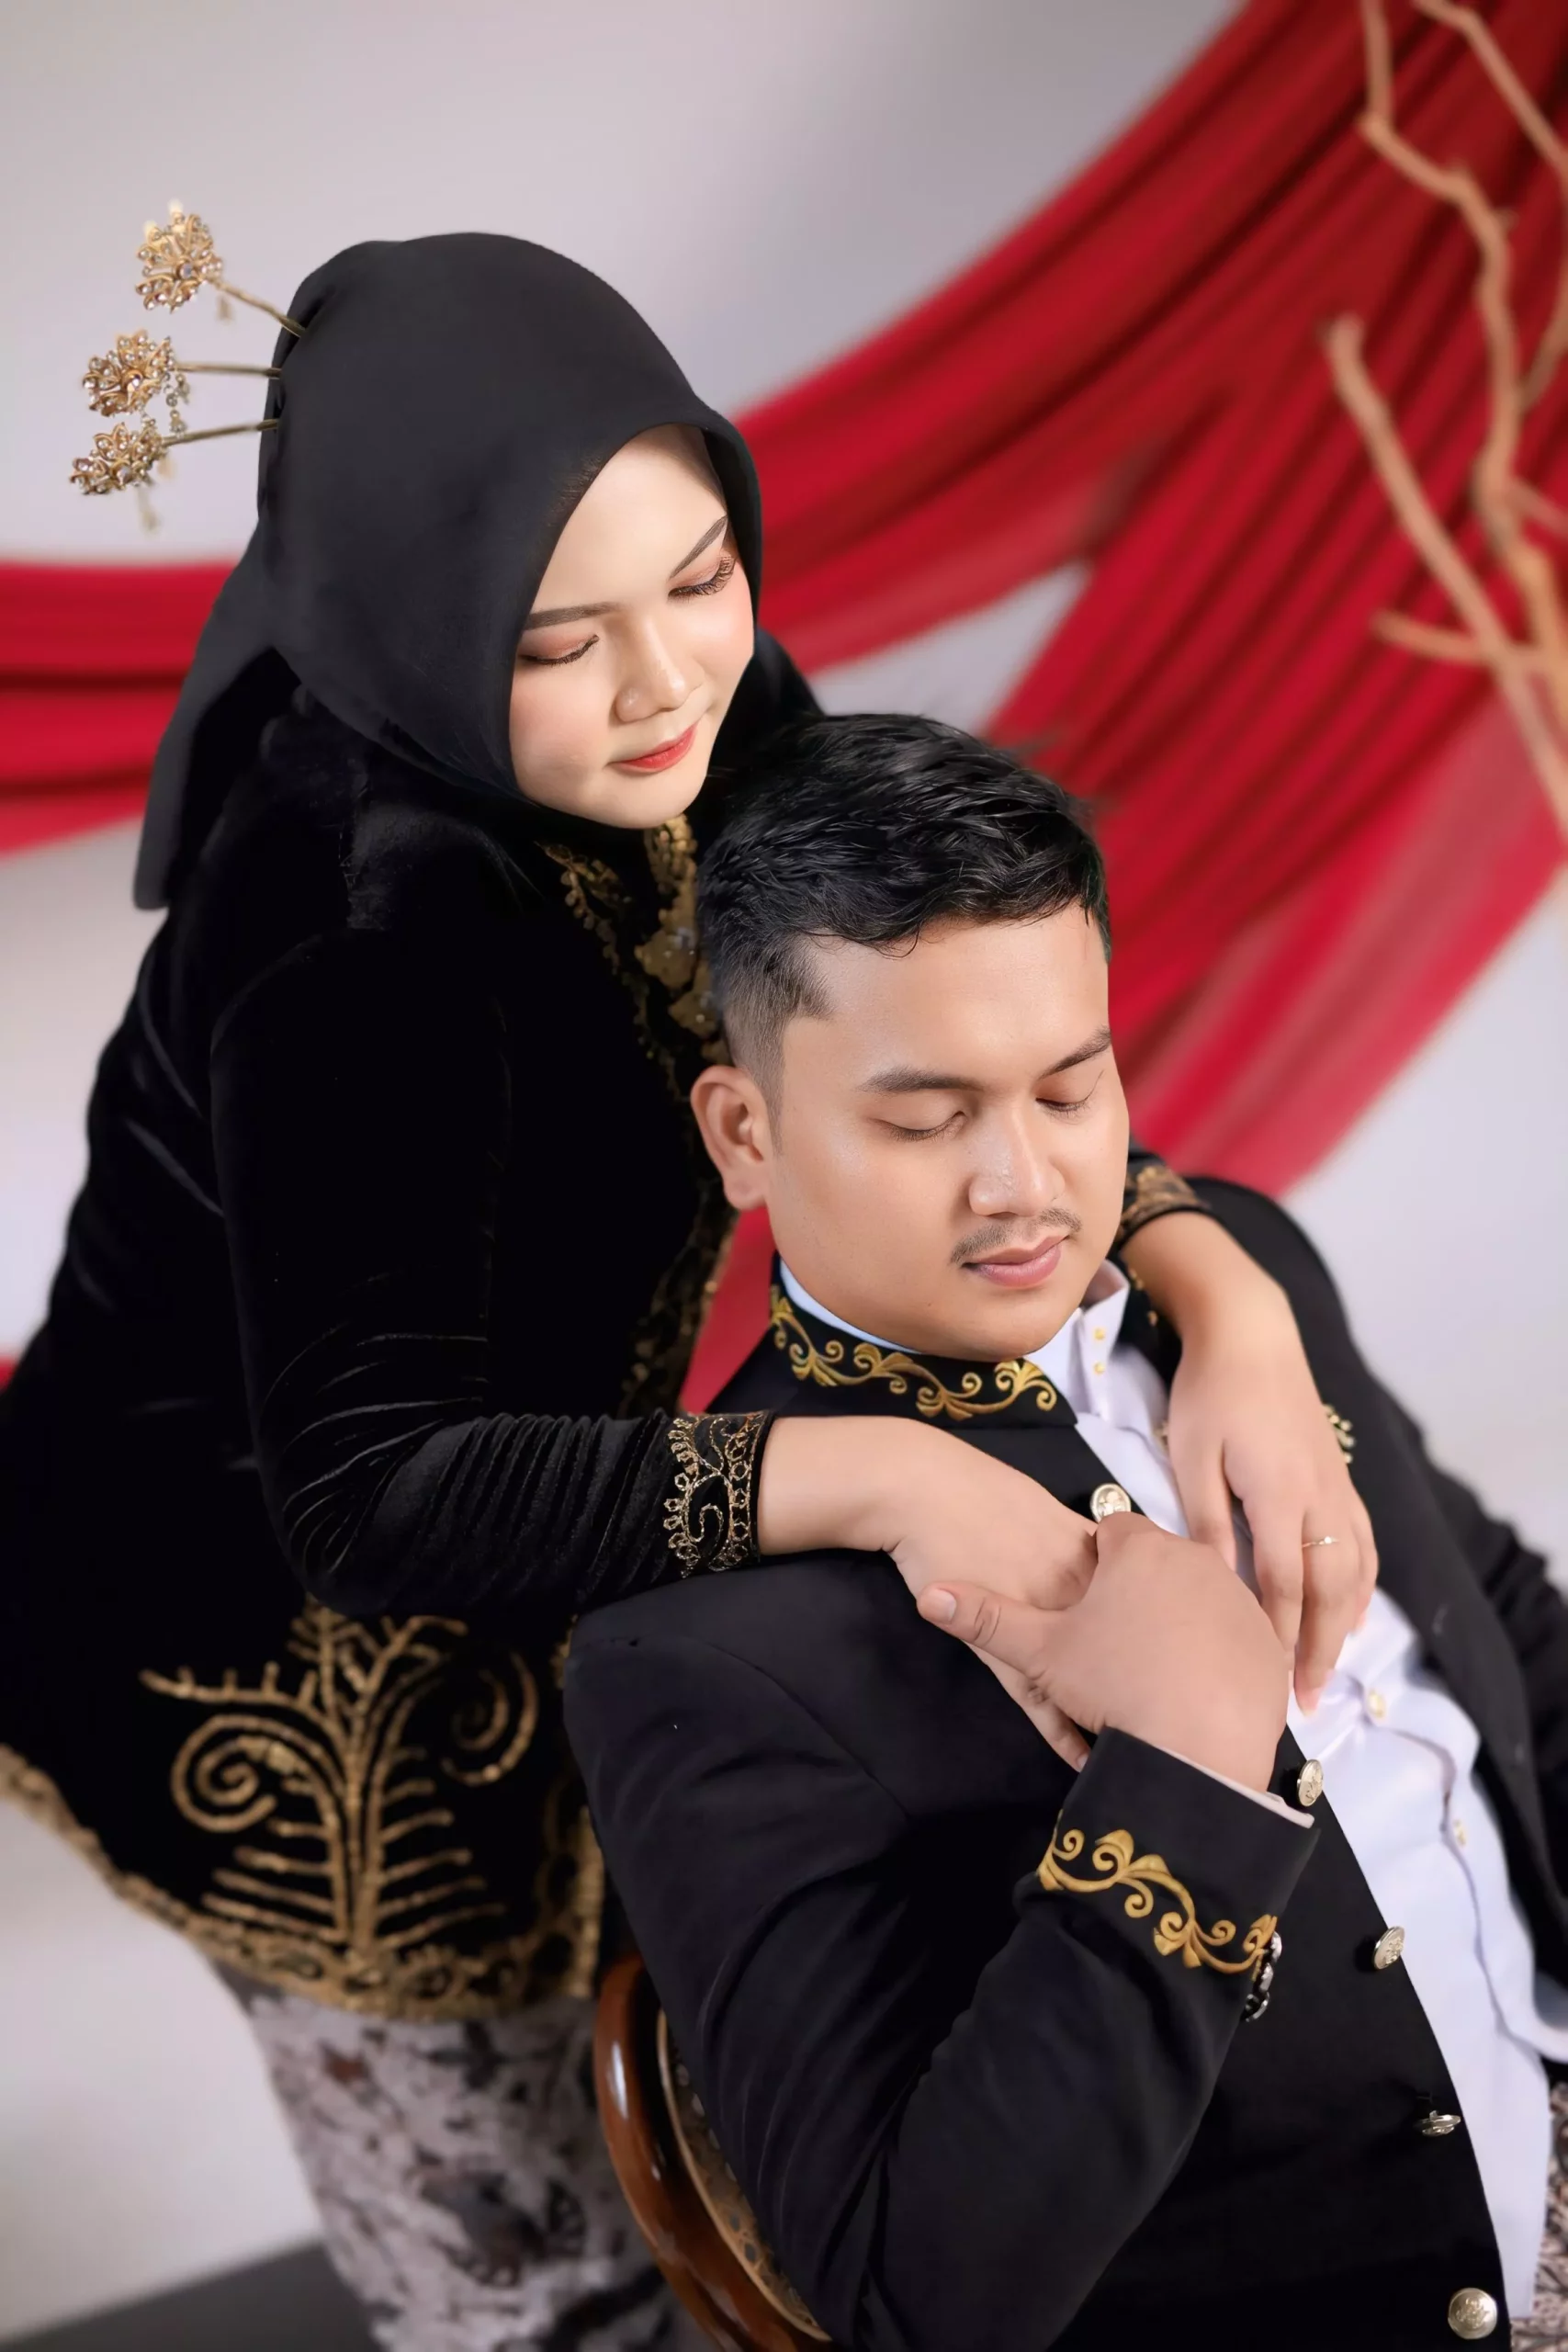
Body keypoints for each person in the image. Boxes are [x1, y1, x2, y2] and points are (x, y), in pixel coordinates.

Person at [4, 236, 1360, 2349]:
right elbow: (367, 1498)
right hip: (274, 1645)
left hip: (588, 1528)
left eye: (702, 573)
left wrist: (1229, 1300)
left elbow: (952, 1036)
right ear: (415, 612)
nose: (667, 682)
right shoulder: (353, 934)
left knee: (757, 2111)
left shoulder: (709, 713)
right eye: (559, 638)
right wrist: (894, 1478)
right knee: (528, 2259)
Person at [565, 714, 1568, 2352]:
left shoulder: (1240, 1274)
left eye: (1069, 1085)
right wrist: (1178, 1776)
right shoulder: (698, 1644)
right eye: (924, 1119)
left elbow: (1495, 1626)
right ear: (745, 1134)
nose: (1023, 1184)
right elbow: (915, 2298)